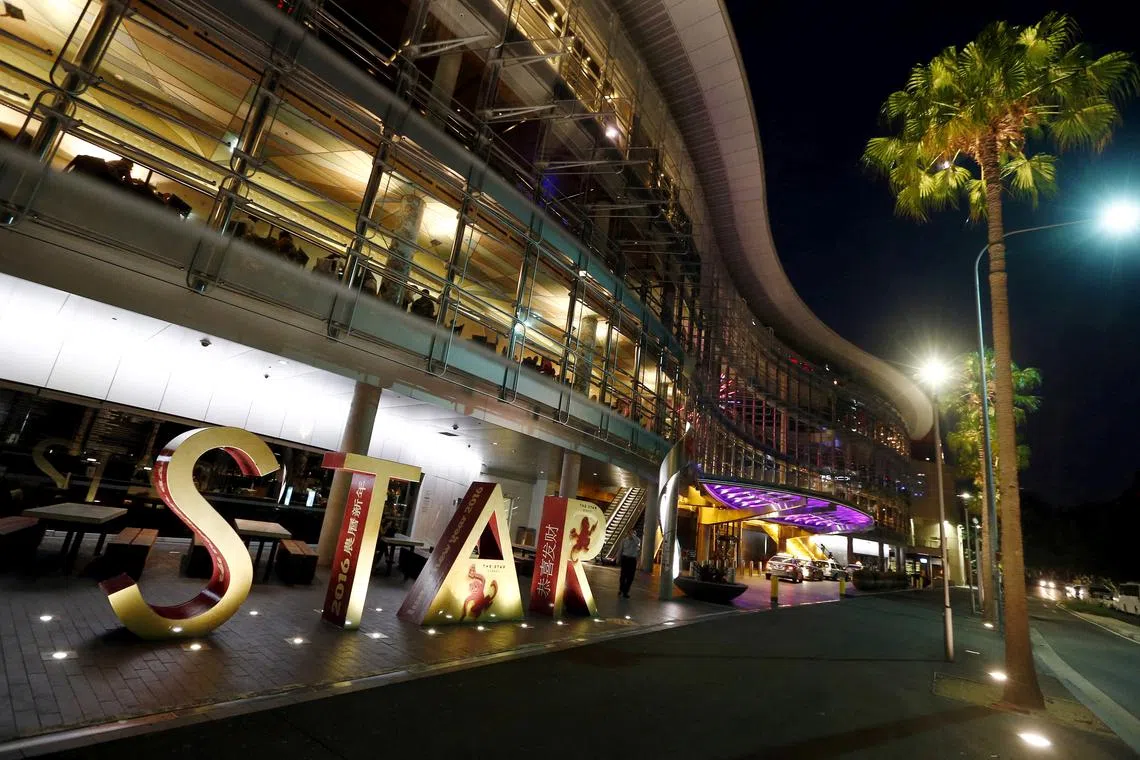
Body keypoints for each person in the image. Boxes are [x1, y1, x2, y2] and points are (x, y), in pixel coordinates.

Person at [618, 531, 641, 598]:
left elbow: (638, 542)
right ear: (627, 534)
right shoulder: (624, 540)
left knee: (630, 577)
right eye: (630, 533)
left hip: (632, 560)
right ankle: (621, 589)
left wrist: (633, 536)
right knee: (623, 576)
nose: (631, 534)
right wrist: (618, 558)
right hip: (625, 559)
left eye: (633, 533)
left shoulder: (637, 541)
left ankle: (626, 592)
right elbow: (620, 549)